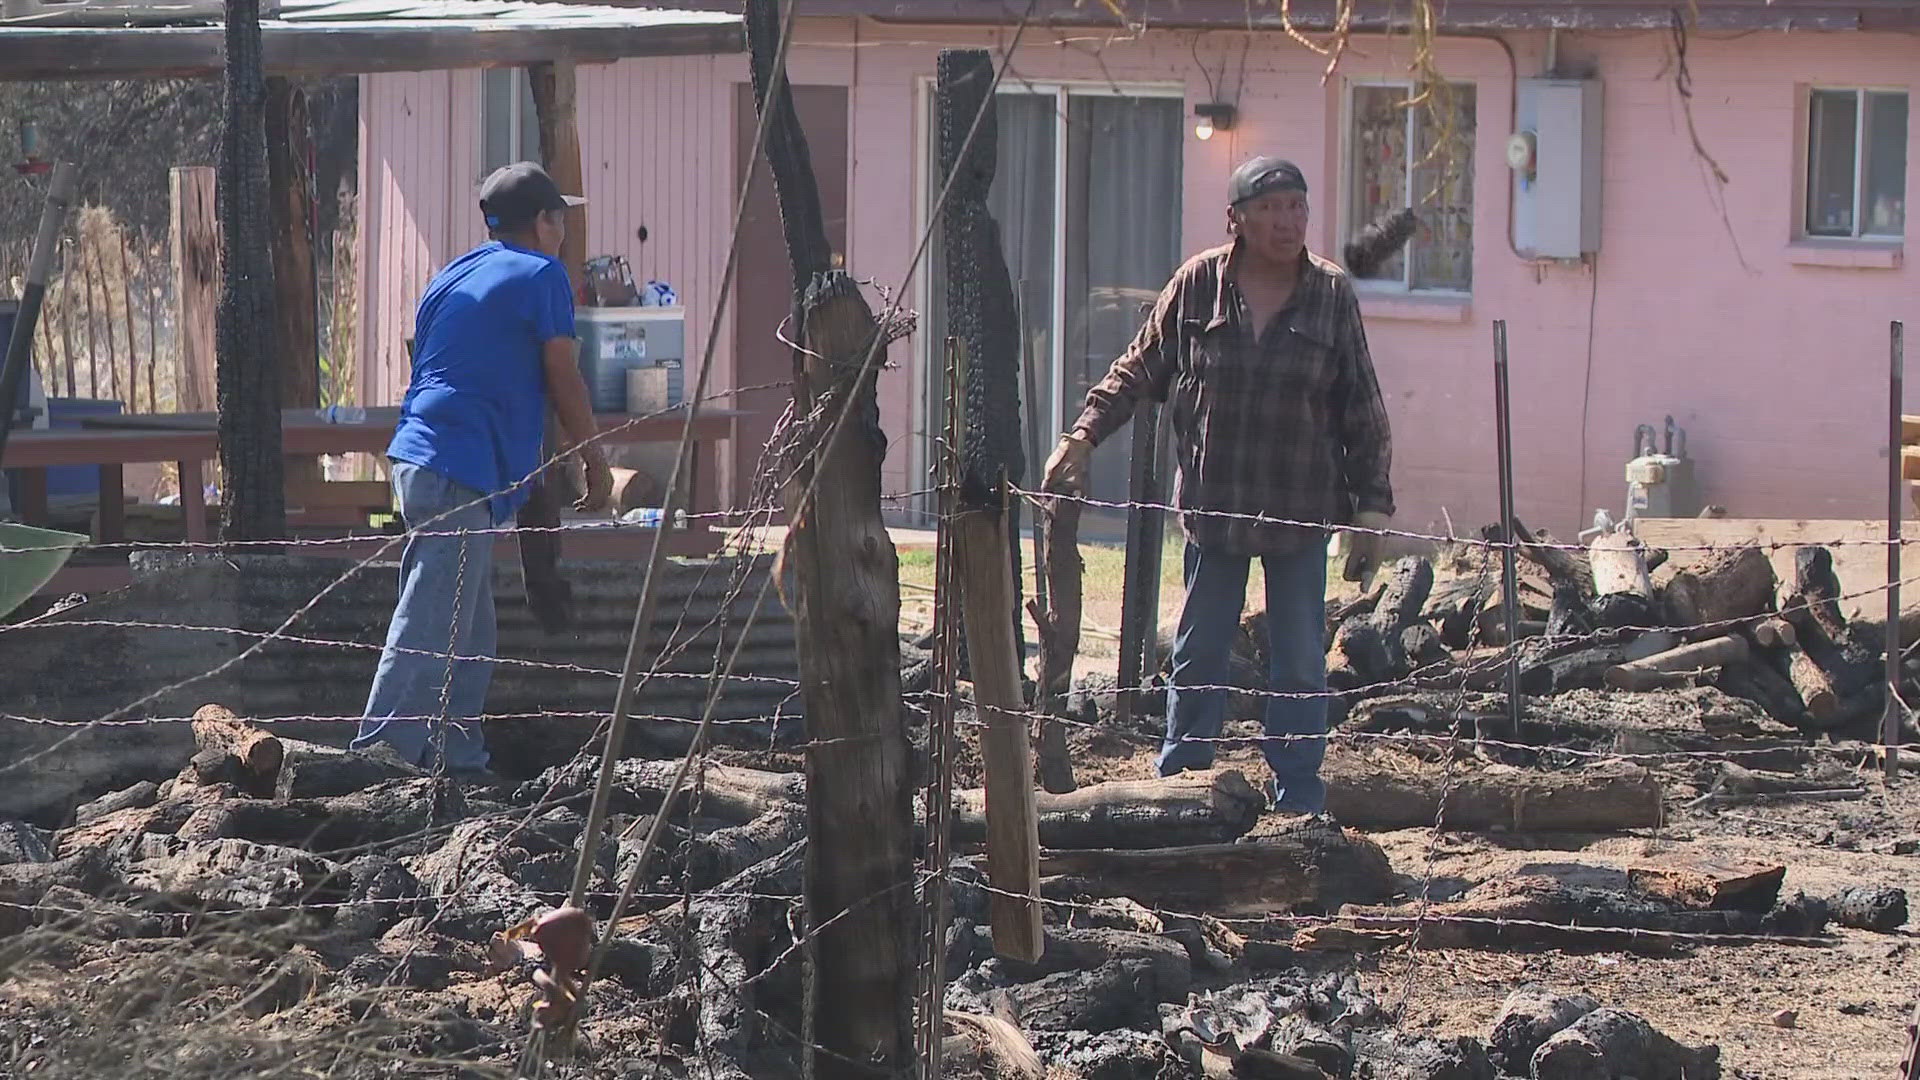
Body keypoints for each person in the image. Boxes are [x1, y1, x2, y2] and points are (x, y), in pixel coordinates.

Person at [1042, 156, 1394, 813]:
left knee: (1297, 664)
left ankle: (1298, 801)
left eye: (1297, 206)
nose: (1288, 221)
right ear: (1236, 218)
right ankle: (1180, 791)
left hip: (1298, 509)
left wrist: (1371, 511)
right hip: (1215, 505)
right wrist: (1082, 435)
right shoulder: (1199, 285)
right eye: (1271, 208)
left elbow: (1362, 408)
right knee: (1199, 653)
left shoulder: (1329, 293)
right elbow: (1138, 365)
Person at [353, 161, 614, 778]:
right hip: (457, 463)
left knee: (468, 628)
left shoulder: (451, 274)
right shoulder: (543, 274)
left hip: (420, 456)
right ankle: (376, 761)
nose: (565, 231)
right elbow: (562, 374)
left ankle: (460, 761)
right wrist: (595, 461)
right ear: (544, 221)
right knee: (429, 617)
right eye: (562, 218)